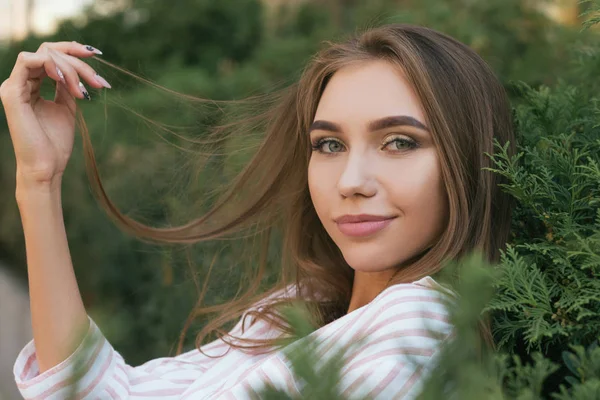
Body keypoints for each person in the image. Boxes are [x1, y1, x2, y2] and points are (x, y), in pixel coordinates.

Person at [2, 23, 515, 399]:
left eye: (400, 142)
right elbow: (100, 393)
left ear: (469, 162)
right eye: (330, 145)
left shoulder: (421, 326)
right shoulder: (303, 306)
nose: (352, 182)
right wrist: (39, 180)